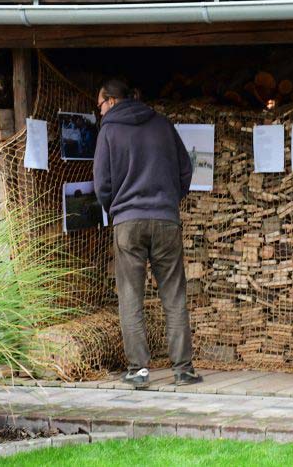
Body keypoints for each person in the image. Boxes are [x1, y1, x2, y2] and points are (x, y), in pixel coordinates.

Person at [93, 78, 202, 389]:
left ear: (112, 101)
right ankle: (183, 369)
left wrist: (117, 207)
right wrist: (169, 200)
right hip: (166, 219)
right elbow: (186, 169)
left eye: (100, 105)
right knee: (174, 295)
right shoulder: (163, 125)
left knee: (130, 296)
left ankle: (139, 370)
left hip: (128, 221)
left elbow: (101, 183)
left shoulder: (109, 131)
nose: (99, 112)